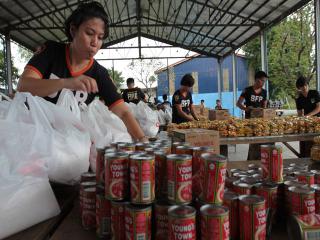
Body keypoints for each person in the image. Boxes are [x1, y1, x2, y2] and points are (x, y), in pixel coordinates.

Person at [17, 1, 147, 142]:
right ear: (73, 30)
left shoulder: (99, 73)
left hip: (72, 146)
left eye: (100, 37)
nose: (95, 42)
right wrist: (65, 83)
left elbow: (123, 112)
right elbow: (23, 86)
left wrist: (142, 139)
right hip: (35, 138)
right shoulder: (51, 51)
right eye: (89, 33)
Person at [237, 70, 268, 160]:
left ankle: (256, 159)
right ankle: (252, 160)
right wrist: (246, 109)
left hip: (261, 121)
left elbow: (264, 107)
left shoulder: (264, 92)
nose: (263, 83)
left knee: (260, 142)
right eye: (262, 80)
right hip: (250, 120)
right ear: (257, 80)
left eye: (264, 81)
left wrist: (265, 112)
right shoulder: (247, 90)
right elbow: (238, 103)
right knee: (253, 141)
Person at [295, 76, 320, 157]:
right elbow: (299, 114)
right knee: (305, 143)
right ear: (299, 88)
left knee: (316, 144)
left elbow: (318, 108)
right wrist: (299, 121)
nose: (304, 87)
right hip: (307, 123)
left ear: (308, 85)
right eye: (302, 86)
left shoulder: (314, 93)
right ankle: (304, 156)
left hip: (318, 121)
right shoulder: (299, 99)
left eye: (306, 85)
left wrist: (307, 116)